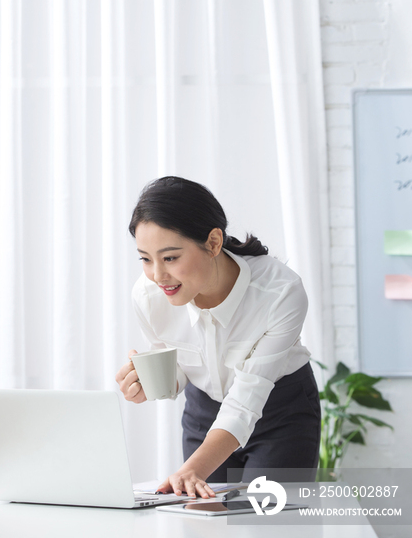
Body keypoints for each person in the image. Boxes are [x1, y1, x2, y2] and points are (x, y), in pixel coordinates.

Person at [115, 176, 321, 499]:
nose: (157, 275)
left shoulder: (280, 293)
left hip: (280, 412)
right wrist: (148, 382)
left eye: (170, 258)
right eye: (145, 258)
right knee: (206, 530)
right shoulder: (148, 296)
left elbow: (245, 401)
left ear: (213, 242)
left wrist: (192, 468)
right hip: (204, 412)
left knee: (268, 527)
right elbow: (182, 367)